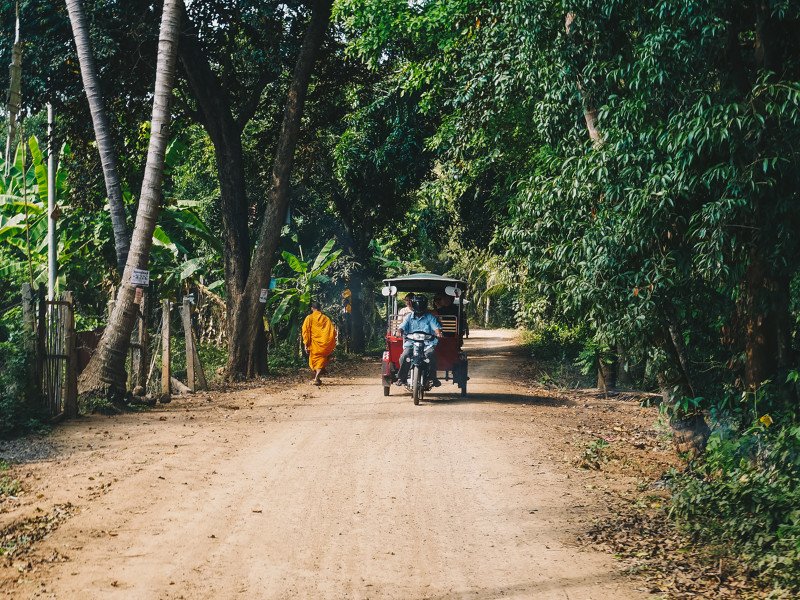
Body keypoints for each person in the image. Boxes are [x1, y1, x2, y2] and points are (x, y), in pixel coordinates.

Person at [395, 295, 442, 387]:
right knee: (405, 356)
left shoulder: (430, 317)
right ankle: (402, 378)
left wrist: (438, 332)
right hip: (411, 343)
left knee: (431, 354)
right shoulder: (408, 317)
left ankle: (433, 377)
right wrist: (399, 331)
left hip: (427, 344)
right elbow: (402, 326)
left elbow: (435, 327)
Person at [302, 302, 337, 386]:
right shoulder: (326, 318)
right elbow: (332, 331)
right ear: (320, 308)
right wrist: (330, 342)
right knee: (321, 360)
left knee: (315, 361)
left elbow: (305, 332)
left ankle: (316, 377)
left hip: (314, 344)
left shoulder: (309, 318)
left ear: (312, 308)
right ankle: (317, 378)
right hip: (324, 344)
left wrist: (306, 344)